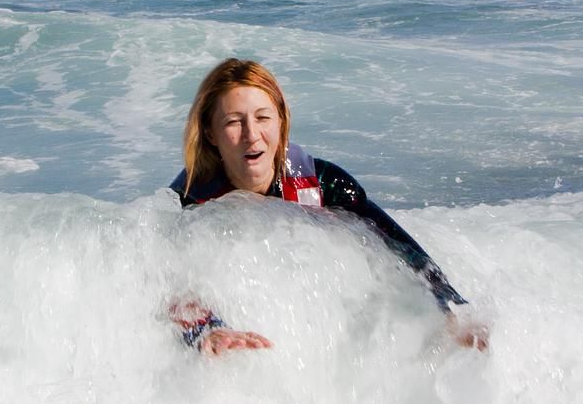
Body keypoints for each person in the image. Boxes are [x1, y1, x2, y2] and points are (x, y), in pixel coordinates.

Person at [166, 58, 487, 355]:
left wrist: (452, 308)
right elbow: (166, 277)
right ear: (210, 133)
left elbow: (400, 248)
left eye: (263, 117)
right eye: (234, 122)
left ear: (281, 122)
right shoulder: (191, 198)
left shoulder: (323, 183)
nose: (252, 135)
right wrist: (206, 331)